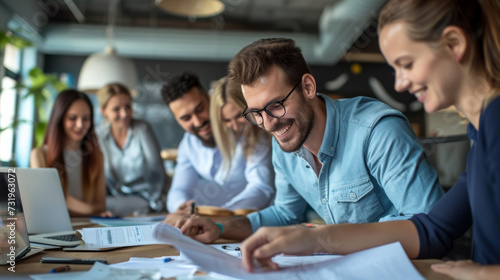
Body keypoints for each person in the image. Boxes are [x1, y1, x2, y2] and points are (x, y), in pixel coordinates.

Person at [239, 0, 500, 279]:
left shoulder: (494, 121)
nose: (399, 84)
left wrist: (484, 274)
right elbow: (432, 229)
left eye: (407, 64)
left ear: (453, 44)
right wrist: (315, 239)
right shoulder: (483, 134)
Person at [174, 37, 444, 244]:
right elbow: (283, 215)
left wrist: (322, 240)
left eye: (276, 105)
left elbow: (430, 226)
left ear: (308, 87)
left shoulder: (377, 131)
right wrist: (221, 227)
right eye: (256, 113)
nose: (268, 124)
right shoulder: (284, 147)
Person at [160, 72, 275, 215]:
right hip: (221, 222)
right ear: (178, 120)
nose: (198, 121)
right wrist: (182, 208)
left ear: (209, 98)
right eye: (186, 118)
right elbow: (179, 189)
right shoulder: (189, 144)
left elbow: (261, 188)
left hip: (259, 216)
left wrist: (221, 215)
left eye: (200, 109)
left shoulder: (245, 129)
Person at [30, 90, 108, 217]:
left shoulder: (96, 155)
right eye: (72, 118)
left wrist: (66, 202)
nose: (80, 125)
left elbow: (101, 206)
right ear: (60, 118)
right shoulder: (39, 155)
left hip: (87, 227)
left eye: (86, 118)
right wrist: (91, 210)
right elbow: (46, 202)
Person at [96, 83, 166, 216]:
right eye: (116, 109)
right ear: (103, 111)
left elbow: (158, 173)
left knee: (95, 206)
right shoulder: (99, 136)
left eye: (127, 107)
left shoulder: (142, 129)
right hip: (117, 199)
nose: (124, 114)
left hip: (146, 198)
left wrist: (154, 203)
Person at [210, 76, 273, 182]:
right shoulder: (233, 139)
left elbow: (260, 186)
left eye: (239, 115)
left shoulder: (264, 138)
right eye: (227, 120)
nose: (235, 126)